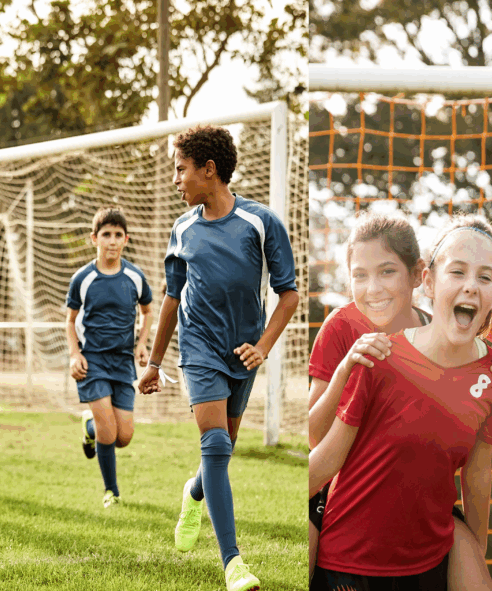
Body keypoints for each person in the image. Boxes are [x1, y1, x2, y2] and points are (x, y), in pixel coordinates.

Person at [306, 212, 492, 588]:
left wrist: (473, 549)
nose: (471, 286)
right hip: (349, 555)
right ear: (431, 281)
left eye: (484, 277)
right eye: (457, 272)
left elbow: (477, 471)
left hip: (427, 560)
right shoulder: (368, 350)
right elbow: (322, 453)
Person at [138, 124, 299, 591]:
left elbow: (287, 294)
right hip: (199, 346)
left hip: (243, 352)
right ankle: (233, 563)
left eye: (181, 169)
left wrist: (263, 346)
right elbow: (172, 297)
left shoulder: (261, 222)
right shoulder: (182, 227)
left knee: (220, 452)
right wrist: (153, 362)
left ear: (209, 170)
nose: (176, 180)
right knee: (215, 445)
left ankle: (193, 495)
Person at [66, 207, 153, 508]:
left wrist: (142, 344)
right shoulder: (83, 278)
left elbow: (148, 311)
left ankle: (89, 428)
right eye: (106, 235)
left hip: (122, 364)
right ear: (94, 239)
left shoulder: (134, 276)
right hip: (93, 363)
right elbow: (69, 320)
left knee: (123, 436)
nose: (112, 241)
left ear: (125, 239)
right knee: (109, 430)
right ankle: (111, 492)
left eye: (118, 235)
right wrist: (75, 354)